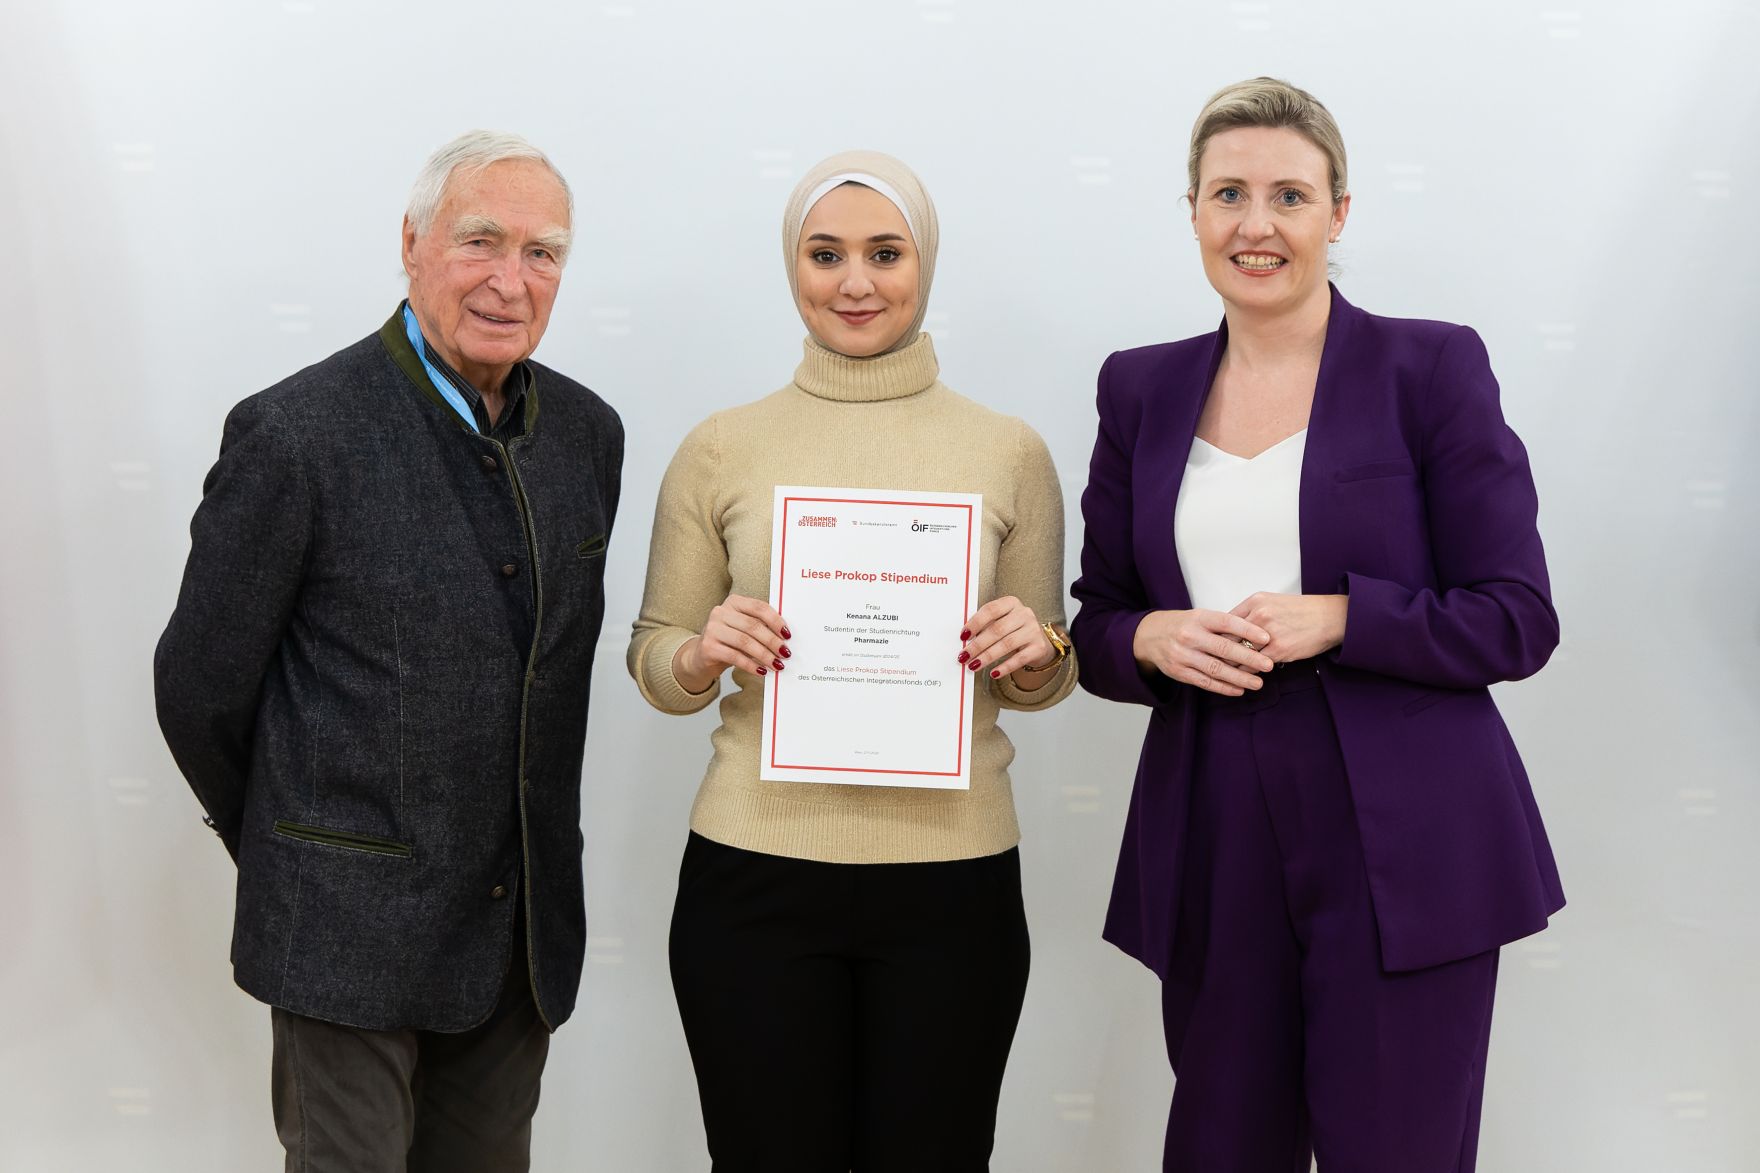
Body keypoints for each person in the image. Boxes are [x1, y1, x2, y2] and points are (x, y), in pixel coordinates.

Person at [1070, 78, 1564, 1171]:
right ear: (1192, 209)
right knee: (1219, 1146)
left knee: (1392, 1150)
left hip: (1406, 830)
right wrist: (1151, 639)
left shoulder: (1427, 368)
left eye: (1288, 196)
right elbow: (1097, 618)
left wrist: (1343, 617)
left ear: (1337, 213)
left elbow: (1516, 619)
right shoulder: (1138, 388)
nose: (1255, 225)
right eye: (1227, 193)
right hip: (1212, 816)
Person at [153, 130, 623, 1173]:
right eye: (480, 241)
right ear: (410, 245)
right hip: (343, 937)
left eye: (542, 253)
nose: (511, 280)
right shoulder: (295, 434)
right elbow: (198, 689)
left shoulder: (588, 435)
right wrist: (297, 841)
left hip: (517, 940)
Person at [628, 150, 1077, 1171]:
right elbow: (653, 657)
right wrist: (701, 654)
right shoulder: (720, 446)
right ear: (792, 267)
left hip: (951, 883)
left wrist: (1035, 651)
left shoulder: (1007, 450)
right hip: (752, 879)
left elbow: (1044, 670)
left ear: (926, 264)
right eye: (824, 255)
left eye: (885, 253)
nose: (855, 282)